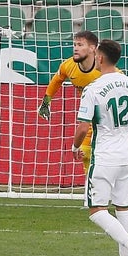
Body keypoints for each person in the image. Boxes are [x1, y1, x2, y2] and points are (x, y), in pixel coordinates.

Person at [72, 40, 128, 256]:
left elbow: (84, 126)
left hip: (105, 156)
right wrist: (127, 130)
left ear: (100, 58)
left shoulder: (93, 88)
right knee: (124, 210)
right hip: (127, 155)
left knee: (97, 210)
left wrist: (76, 146)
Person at [38, 30, 101, 173]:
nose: (75, 48)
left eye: (80, 44)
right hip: (89, 117)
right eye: (74, 44)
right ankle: (91, 192)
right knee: (84, 154)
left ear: (92, 48)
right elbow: (57, 80)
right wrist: (46, 102)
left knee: (104, 162)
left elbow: (124, 85)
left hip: (107, 120)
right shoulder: (68, 66)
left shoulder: (104, 67)